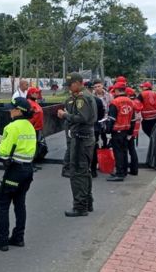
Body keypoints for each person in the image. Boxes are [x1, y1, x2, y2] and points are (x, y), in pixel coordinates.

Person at [0, 97, 36, 251]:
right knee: (20, 204)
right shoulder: (29, 126)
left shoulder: (12, 127)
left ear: (18, 110)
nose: (9, 110)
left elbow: (3, 154)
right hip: (28, 170)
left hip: (15, 170)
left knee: (3, 205)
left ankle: (2, 240)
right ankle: (18, 237)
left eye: (12, 108)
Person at [58, 73, 97, 217]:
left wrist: (65, 115)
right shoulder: (84, 95)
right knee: (84, 171)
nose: (68, 87)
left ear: (78, 83)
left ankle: (80, 206)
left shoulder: (82, 97)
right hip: (84, 138)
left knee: (77, 172)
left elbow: (82, 118)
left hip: (81, 138)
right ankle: (87, 202)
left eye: (70, 84)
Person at [106, 82, 136, 182]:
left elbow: (111, 119)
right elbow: (133, 119)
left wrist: (108, 132)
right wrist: (130, 132)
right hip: (126, 130)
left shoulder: (115, 102)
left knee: (118, 152)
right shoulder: (130, 101)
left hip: (117, 131)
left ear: (117, 90)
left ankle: (119, 174)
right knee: (124, 151)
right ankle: (124, 171)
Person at [86, 82, 105, 178]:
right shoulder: (98, 100)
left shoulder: (82, 100)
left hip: (85, 127)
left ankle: (86, 169)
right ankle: (93, 170)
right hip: (96, 127)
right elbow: (102, 114)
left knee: (84, 149)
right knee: (94, 148)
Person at [27, 87, 45, 171]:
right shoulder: (29, 103)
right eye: (36, 93)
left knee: (35, 147)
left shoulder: (34, 102)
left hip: (37, 128)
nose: (37, 94)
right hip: (32, 128)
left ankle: (32, 163)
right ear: (31, 94)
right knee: (31, 147)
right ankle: (30, 165)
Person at [126, 88, 142, 176]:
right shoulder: (137, 102)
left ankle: (128, 169)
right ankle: (134, 169)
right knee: (132, 150)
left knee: (128, 149)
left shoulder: (130, 103)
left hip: (130, 128)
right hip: (136, 128)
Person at [92, 79, 112, 147]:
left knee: (105, 140)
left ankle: (105, 152)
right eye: (95, 87)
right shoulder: (91, 97)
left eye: (99, 86)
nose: (97, 88)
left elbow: (112, 108)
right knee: (95, 140)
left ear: (102, 86)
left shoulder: (109, 96)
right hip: (95, 121)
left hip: (106, 121)